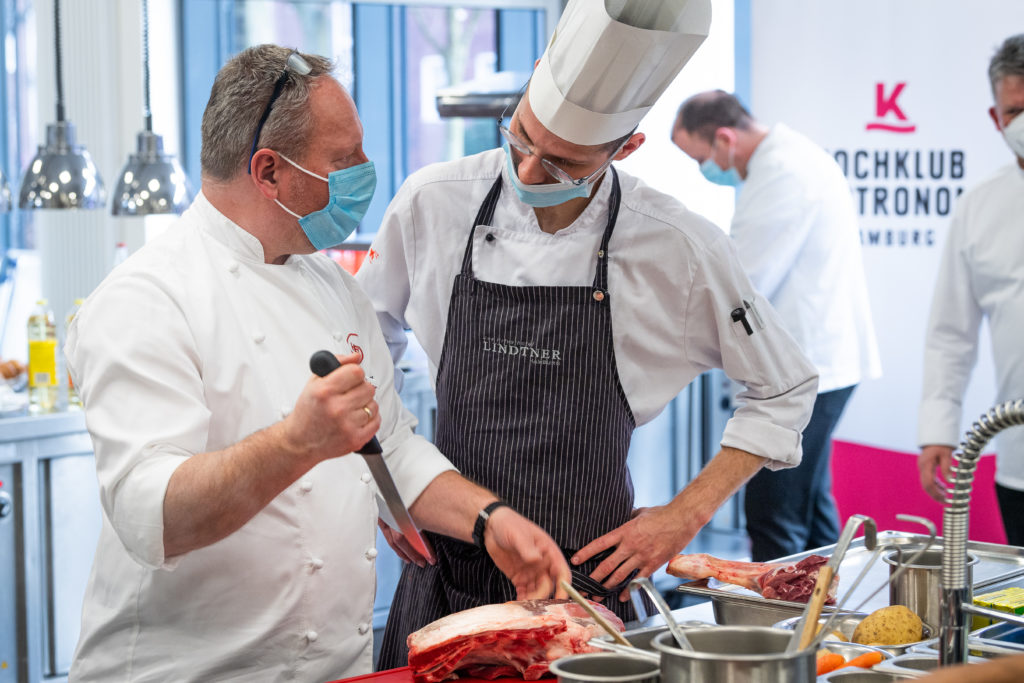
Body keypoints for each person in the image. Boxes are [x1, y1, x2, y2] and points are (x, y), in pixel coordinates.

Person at [64, 45, 570, 682]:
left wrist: (488, 519)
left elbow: (391, 445)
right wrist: (296, 442)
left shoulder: (331, 284)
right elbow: (151, 517)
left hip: (333, 668)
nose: (367, 171)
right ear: (268, 171)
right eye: (345, 159)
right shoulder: (146, 299)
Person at [355, 0, 818, 667]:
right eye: (520, 139)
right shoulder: (433, 201)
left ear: (626, 148)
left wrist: (684, 513)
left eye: (565, 164)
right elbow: (363, 351)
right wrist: (389, 482)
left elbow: (785, 385)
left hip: (585, 593)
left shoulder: (678, 246)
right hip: (446, 579)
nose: (530, 173)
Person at [671, 91, 882, 562]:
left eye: (701, 158)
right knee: (808, 507)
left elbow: (742, 280)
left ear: (725, 138)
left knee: (774, 513)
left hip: (808, 365)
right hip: (819, 361)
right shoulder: (787, 161)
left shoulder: (783, 172)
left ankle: (779, 632)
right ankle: (829, 619)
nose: (704, 169)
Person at [917, 33, 1024, 546]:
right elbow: (950, 333)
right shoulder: (979, 206)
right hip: (1020, 456)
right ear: (996, 118)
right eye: (1016, 110)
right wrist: (939, 428)